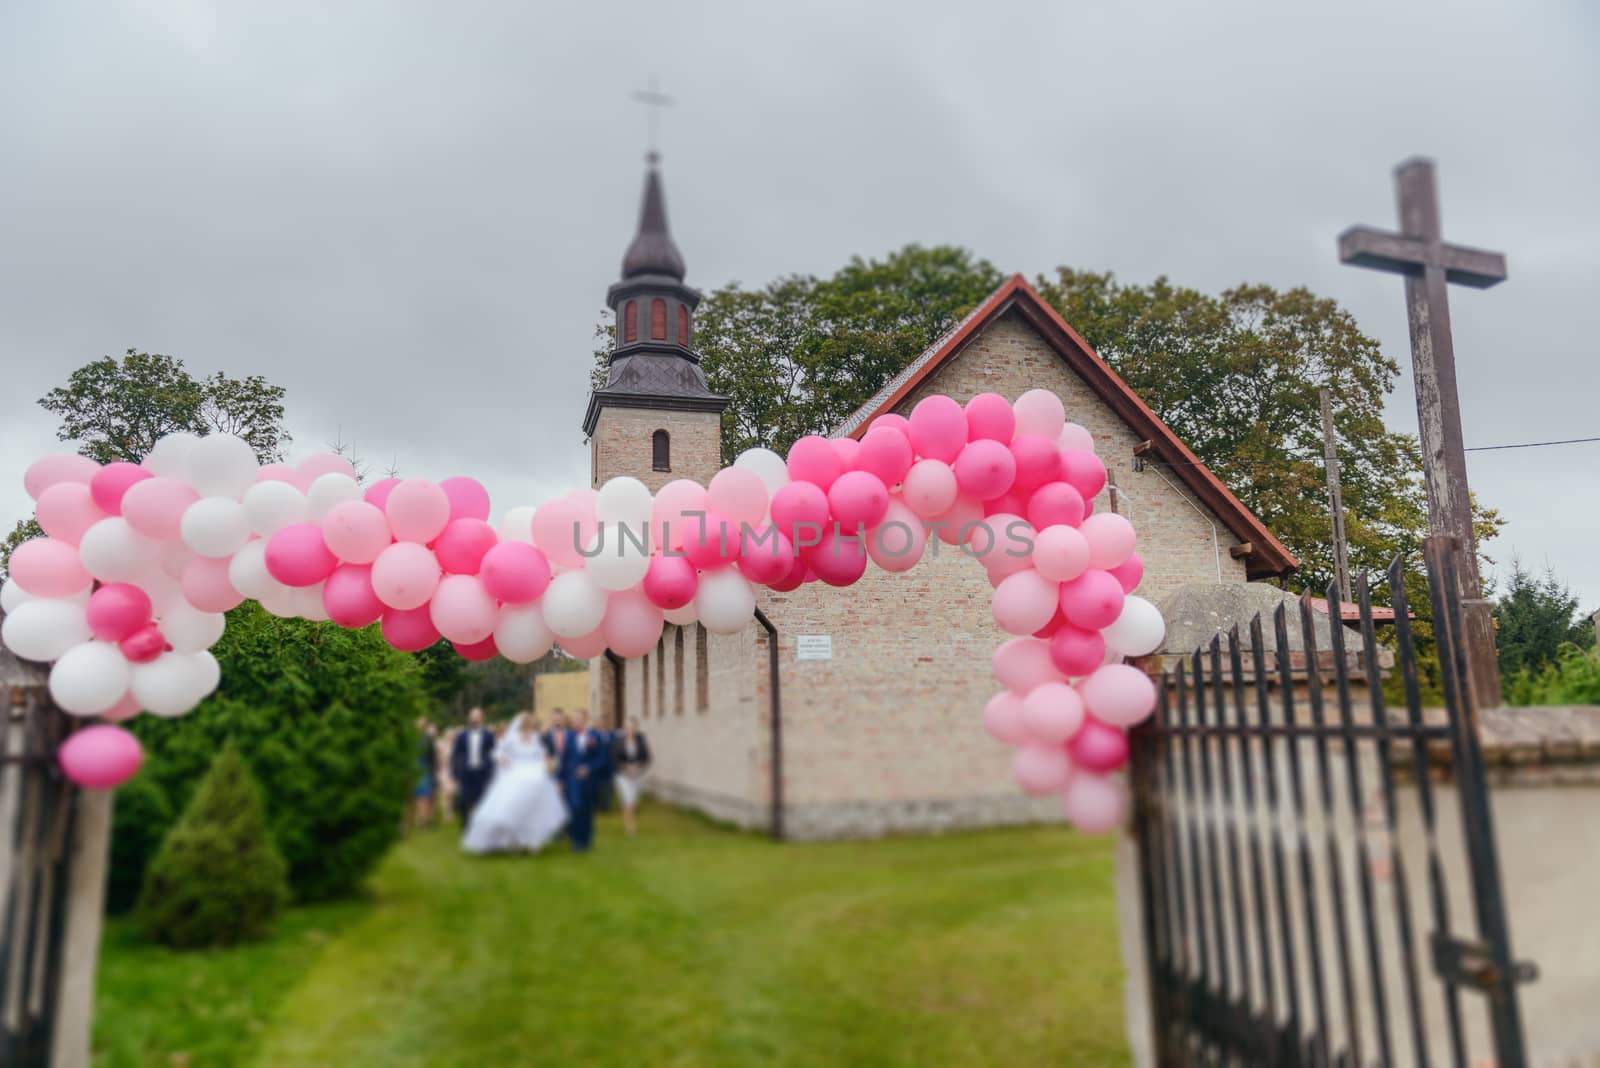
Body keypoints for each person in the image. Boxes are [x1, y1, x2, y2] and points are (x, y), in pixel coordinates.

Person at [461, 712, 569, 854]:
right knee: (511, 810)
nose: (532, 727)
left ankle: (530, 841)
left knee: (531, 811)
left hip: (533, 776)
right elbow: (498, 752)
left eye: (533, 725)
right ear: (523, 725)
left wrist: (548, 763)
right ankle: (513, 842)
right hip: (514, 775)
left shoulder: (535, 738)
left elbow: (540, 755)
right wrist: (502, 759)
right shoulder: (511, 738)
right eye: (530, 724)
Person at [559, 711, 611, 852]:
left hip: (589, 779)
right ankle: (576, 840)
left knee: (587, 810)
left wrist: (588, 768)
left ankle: (586, 841)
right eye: (574, 719)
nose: (576, 722)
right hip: (572, 778)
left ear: (585, 720)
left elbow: (602, 759)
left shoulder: (595, 736)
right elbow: (563, 758)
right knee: (575, 807)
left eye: (579, 719)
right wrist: (561, 779)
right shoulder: (569, 736)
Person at [449, 707, 497, 825]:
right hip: (466, 772)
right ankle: (465, 824)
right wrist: (455, 772)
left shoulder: (488, 735)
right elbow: (455, 754)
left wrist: (491, 769)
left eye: (477, 716)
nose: (474, 719)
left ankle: (480, 824)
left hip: (482, 772)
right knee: (463, 801)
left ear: (482, 718)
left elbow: (494, 752)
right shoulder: (462, 735)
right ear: (469, 718)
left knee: (482, 800)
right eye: (472, 716)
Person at [612, 717, 652, 836]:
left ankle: (629, 817)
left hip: (637, 774)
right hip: (622, 775)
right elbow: (614, 758)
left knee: (633, 801)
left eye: (633, 726)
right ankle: (630, 826)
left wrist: (638, 767)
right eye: (628, 727)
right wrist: (625, 767)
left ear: (636, 727)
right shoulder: (618, 740)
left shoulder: (641, 739)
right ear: (625, 728)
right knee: (628, 798)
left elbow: (647, 757)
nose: (630, 729)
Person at [407, 717, 439, 833]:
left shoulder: (428, 739)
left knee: (424, 797)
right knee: (411, 798)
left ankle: (423, 821)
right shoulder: (409, 738)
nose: (419, 724)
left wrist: (434, 772)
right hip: (412, 770)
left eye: (422, 723)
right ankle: (411, 821)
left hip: (425, 770)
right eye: (418, 722)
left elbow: (433, 757)